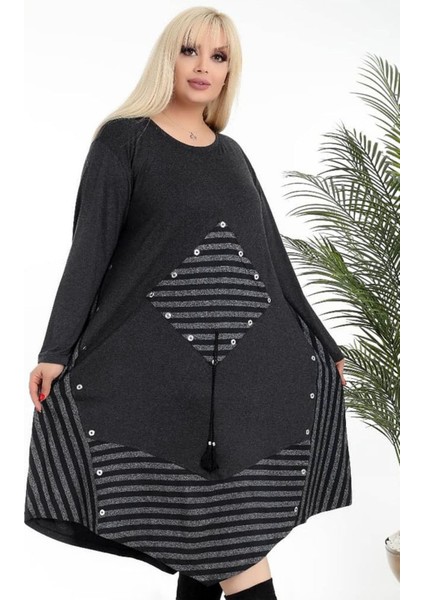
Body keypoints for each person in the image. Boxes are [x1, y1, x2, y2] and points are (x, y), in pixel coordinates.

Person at [24, 6, 352, 600]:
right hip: (162, 382)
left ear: (230, 71)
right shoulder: (124, 140)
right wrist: (56, 349)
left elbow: (272, 261)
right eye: (190, 50)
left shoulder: (232, 154)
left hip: (243, 388)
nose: (203, 66)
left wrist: (324, 345)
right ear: (167, 57)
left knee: (212, 548)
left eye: (218, 56)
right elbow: (89, 251)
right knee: (225, 547)